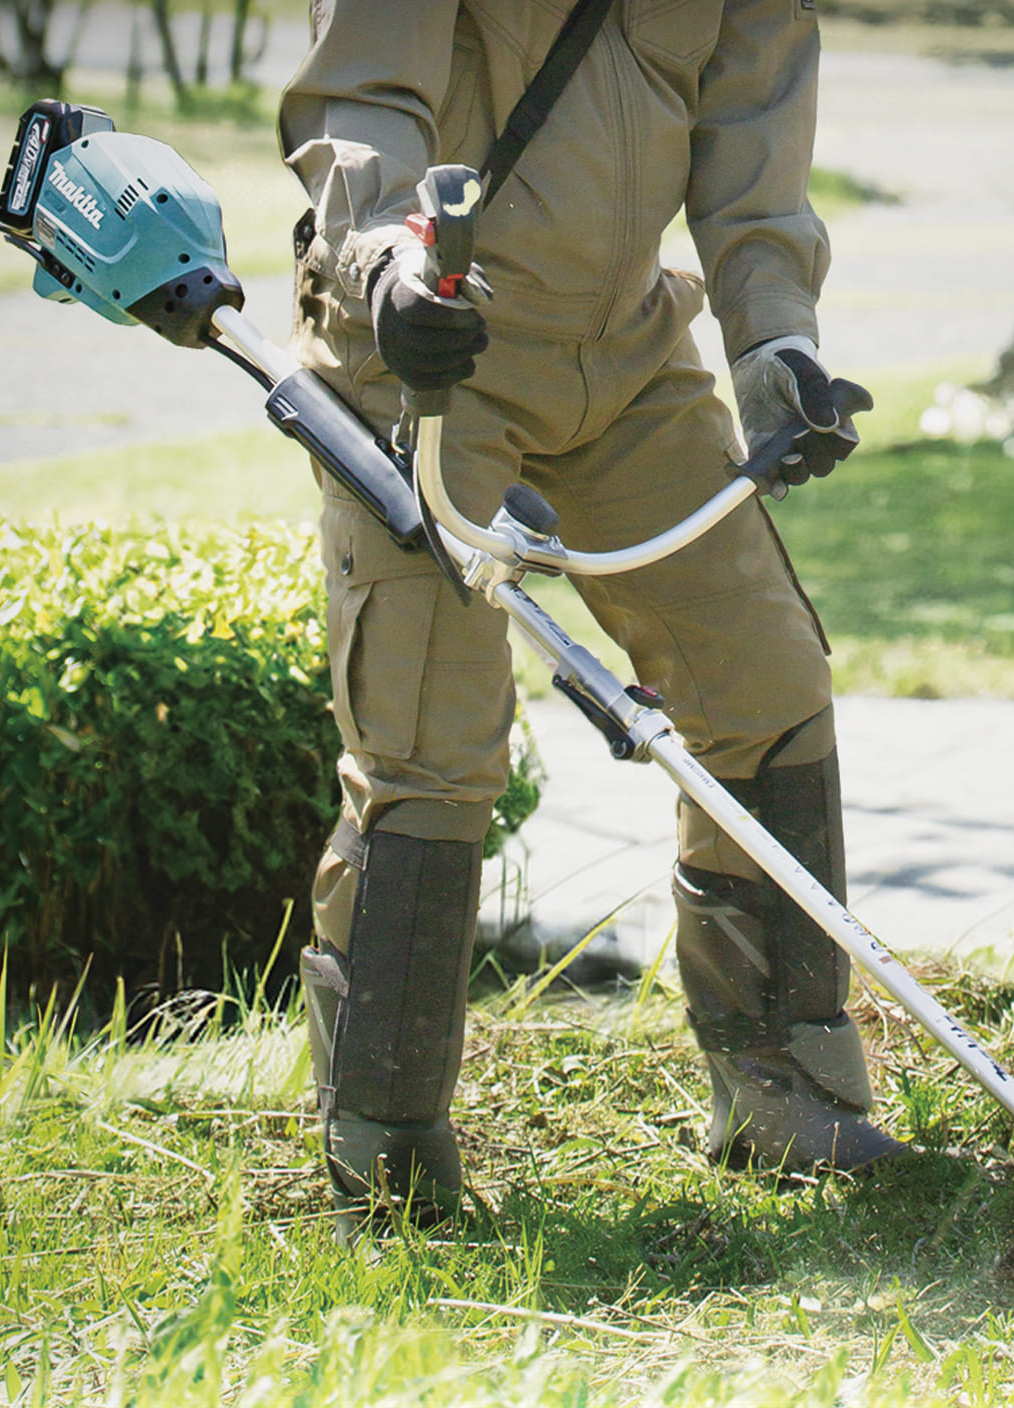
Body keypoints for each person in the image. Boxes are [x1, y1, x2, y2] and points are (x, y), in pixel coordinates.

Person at [277, 0, 904, 1220]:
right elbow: (359, 98)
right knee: (431, 742)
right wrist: (385, 261)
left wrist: (776, 340)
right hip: (429, 354)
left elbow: (751, 136)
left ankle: (783, 1088)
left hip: (625, 357)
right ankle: (385, 1144)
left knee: (764, 677)